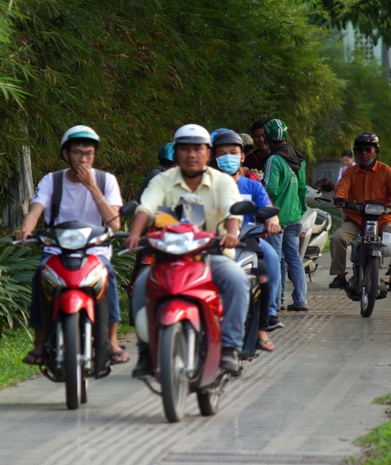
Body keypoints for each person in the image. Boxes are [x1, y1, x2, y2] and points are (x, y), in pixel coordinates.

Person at [126, 124, 250, 376]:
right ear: (176, 151)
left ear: (208, 153)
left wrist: (231, 234)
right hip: (168, 258)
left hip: (211, 255)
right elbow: (146, 207)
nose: (191, 154)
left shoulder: (222, 182)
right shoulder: (162, 180)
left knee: (238, 280)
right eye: (184, 149)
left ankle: (229, 348)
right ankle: (145, 352)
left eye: (198, 149)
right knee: (141, 285)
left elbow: (231, 210)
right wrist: (135, 233)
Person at [16, 125, 129, 365]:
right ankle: (39, 343)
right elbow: (36, 210)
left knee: (108, 276)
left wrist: (91, 187)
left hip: (95, 250)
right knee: (40, 275)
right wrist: (26, 228)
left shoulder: (106, 180)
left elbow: (114, 224)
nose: (83, 159)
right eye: (78, 153)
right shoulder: (52, 180)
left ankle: (110, 340)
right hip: (57, 249)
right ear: (66, 154)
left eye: (89, 153)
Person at [209, 129, 283, 350]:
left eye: (233, 152)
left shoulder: (253, 185)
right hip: (213, 243)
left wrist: (273, 221)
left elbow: (269, 209)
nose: (228, 157)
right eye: (222, 153)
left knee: (266, 266)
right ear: (214, 157)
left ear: (242, 156)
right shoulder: (206, 185)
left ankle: (263, 325)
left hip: (248, 241)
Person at [329, 131, 391, 290]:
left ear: (375, 151)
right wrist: (340, 198)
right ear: (356, 152)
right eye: (360, 150)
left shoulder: (386, 171)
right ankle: (339, 276)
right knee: (337, 238)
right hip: (356, 220)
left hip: (382, 221)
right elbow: (342, 188)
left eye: (368, 149)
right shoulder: (349, 173)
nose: (364, 153)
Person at [262, 119, 309, 312]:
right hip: (295, 216)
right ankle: (300, 300)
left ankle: (276, 301)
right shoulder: (298, 158)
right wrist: (300, 210)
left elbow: (270, 189)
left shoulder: (274, 160)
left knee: (276, 258)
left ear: (267, 139)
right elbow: (303, 188)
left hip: (277, 218)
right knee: (294, 259)